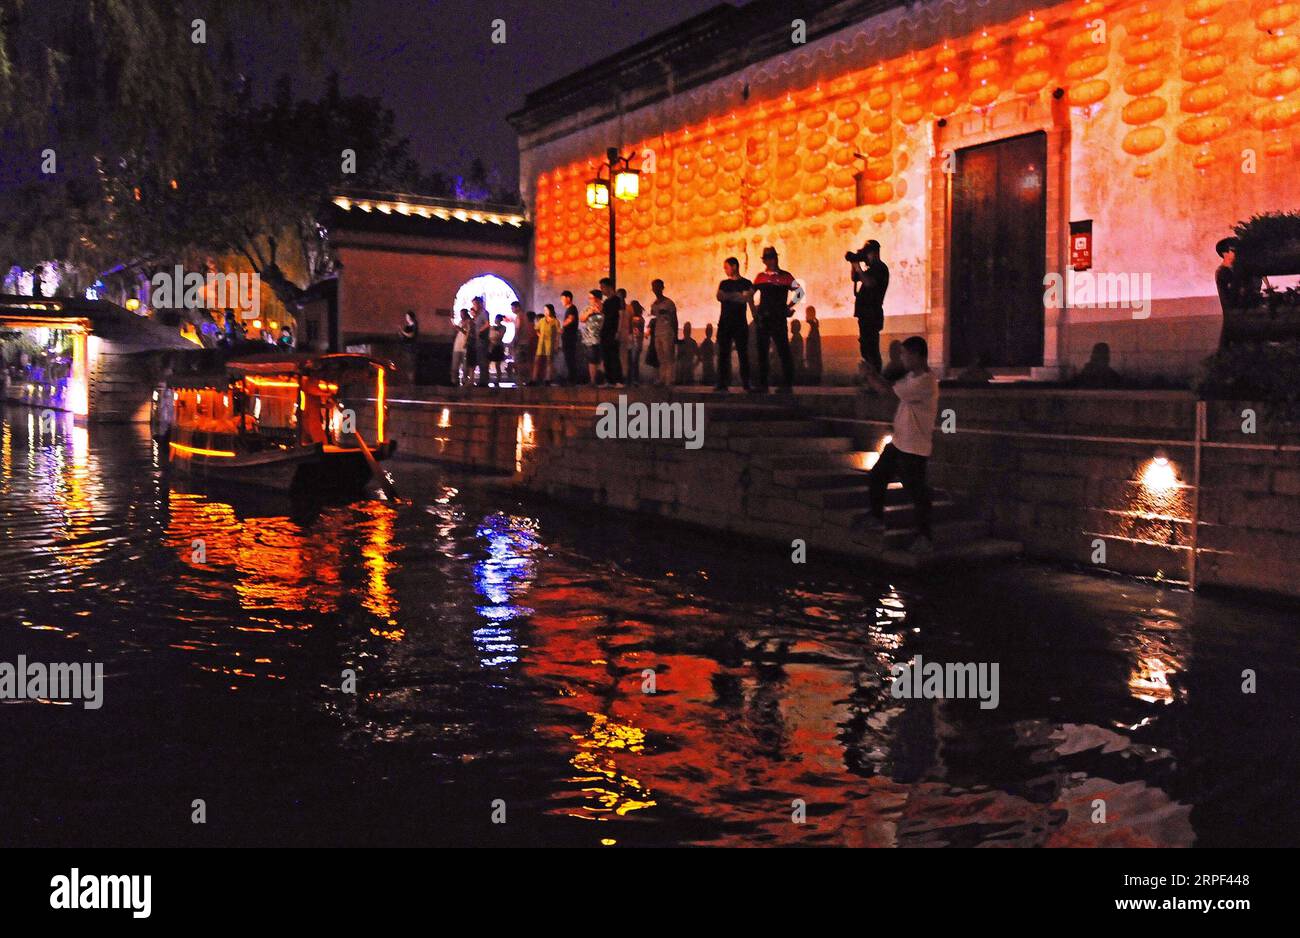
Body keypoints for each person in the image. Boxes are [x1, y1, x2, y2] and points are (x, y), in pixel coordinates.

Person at [862, 336, 938, 554]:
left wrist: (869, 375)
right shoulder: (911, 377)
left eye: (905, 354)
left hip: (914, 447)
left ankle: (925, 537)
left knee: (917, 492)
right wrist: (874, 375)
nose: (902, 358)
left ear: (916, 355)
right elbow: (889, 387)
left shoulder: (925, 382)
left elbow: (887, 391)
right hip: (899, 442)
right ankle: (876, 516)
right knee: (877, 476)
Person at [750, 246, 799, 392]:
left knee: (783, 349)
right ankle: (763, 384)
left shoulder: (786, 276)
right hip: (764, 318)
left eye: (773, 257)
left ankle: (787, 384)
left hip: (778, 317)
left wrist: (788, 307)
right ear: (765, 261)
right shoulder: (760, 277)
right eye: (769, 258)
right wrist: (754, 313)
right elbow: (750, 295)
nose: (771, 260)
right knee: (763, 351)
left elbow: (799, 292)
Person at [849, 239, 889, 376]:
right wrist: (853, 263)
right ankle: (870, 378)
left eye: (868, 253)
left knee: (871, 348)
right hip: (864, 313)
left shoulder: (880, 268)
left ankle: (875, 378)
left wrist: (859, 267)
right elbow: (854, 278)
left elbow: (870, 283)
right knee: (865, 348)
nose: (866, 256)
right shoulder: (870, 269)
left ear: (875, 253)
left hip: (872, 313)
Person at [714, 257, 752, 391]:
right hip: (724, 323)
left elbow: (745, 299)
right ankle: (722, 382)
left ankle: (746, 382)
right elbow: (719, 296)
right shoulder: (724, 283)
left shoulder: (746, 283)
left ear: (734, 266)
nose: (725, 270)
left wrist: (729, 296)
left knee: (743, 353)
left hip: (740, 323)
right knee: (723, 354)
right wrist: (737, 295)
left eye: (726, 267)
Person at [650, 279, 677, 386]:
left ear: (662, 288)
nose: (655, 289)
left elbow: (674, 318)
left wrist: (675, 333)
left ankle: (669, 379)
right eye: (653, 287)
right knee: (661, 357)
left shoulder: (669, 303)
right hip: (657, 333)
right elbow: (653, 318)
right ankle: (662, 378)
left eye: (657, 287)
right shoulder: (654, 304)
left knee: (668, 356)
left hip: (667, 332)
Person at [598, 277, 624, 386]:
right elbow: (603, 317)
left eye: (603, 287)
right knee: (606, 355)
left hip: (613, 331)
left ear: (609, 287)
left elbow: (621, 315)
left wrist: (618, 331)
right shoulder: (606, 302)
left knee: (614, 355)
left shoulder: (617, 300)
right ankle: (609, 380)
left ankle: (618, 380)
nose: (602, 290)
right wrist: (600, 329)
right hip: (605, 331)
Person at [581, 289, 605, 385]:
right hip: (590, 338)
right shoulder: (588, 308)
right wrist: (589, 312)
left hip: (602, 337)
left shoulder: (604, 308)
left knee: (602, 359)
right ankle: (593, 380)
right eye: (589, 298)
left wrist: (600, 311)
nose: (590, 300)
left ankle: (603, 379)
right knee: (592, 359)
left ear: (598, 298)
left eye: (591, 298)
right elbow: (581, 318)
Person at [533, 304, 560, 385]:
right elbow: (536, 329)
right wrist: (539, 335)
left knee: (549, 361)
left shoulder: (555, 321)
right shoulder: (542, 320)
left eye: (547, 310)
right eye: (544, 310)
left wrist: (556, 344)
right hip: (541, 343)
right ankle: (534, 378)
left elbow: (558, 334)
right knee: (537, 360)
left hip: (550, 343)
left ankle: (548, 378)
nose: (545, 312)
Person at [561, 292, 581, 384]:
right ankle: (571, 378)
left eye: (563, 298)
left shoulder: (572, 308)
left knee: (570, 357)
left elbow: (571, 319)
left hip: (570, 338)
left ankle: (572, 379)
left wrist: (562, 326)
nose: (561, 301)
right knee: (568, 357)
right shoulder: (569, 309)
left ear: (568, 298)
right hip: (567, 337)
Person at [472, 296, 492, 387]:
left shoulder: (484, 313)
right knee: (480, 360)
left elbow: (487, 324)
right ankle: (482, 380)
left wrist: (480, 330)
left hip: (483, 341)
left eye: (475, 304)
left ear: (479, 303)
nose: (474, 306)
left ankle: (484, 381)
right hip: (478, 341)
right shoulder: (478, 315)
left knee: (483, 360)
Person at [514, 307, 536, 382]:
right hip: (528, 344)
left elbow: (519, 330)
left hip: (523, 344)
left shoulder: (527, 326)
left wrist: (515, 340)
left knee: (521, 362)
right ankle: (528, 378)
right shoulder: (533, 326)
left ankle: (522, 379)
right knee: (527, 362)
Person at [627, 300, 646, 386]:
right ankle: (634, 379)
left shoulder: (635, 319)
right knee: (634, 362)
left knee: (632, 362)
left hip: (634, 342)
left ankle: (632, 379)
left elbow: (635, 331)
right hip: (637, 343)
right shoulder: (641, 319)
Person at [451, 309, 471, 385]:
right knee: (455, 364)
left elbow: (467, 332)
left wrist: (460, 329)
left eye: (462, 314)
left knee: (465, 365)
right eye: (460, 314)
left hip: (465, 345)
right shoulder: (460, 322)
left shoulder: (469, 322)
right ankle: (454, 380)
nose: (461, 315)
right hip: (457, 345)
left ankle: (465, 380)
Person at [804, 306, 823, 385]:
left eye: (807, 314)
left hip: (813, 361)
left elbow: (814, 346)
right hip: (814, 360)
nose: (805, 316)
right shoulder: (814, 327)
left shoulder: (814, 329)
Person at [488, 314, 507, 385]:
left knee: (497, 365)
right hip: (492, 346)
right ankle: (487, 378)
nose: (495, 320)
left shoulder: (503, 327)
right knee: (488, 362)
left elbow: (500, 336)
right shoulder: (492, 327)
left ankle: (498, 379)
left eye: (496, 319)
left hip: (498, 346)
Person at [789, 320, 804, 384]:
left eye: (792, 326)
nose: (791, 328)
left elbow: (797, 352)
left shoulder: (797, 338)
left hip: (796, 363)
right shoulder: (796, 337)